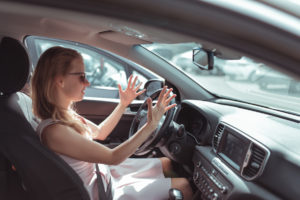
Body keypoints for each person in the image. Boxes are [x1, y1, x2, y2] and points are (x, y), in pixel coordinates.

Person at [31, 46, 193, 200]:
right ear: (60, 81)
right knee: (183, 186)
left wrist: (122, 104)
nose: (87, 83)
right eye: (81, 77)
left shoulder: (65, 115)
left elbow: (100, 133)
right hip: (101, 191)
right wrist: (149, 126)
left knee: (166, 163)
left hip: (103, 174)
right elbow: (113, 157)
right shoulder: (56, 131)